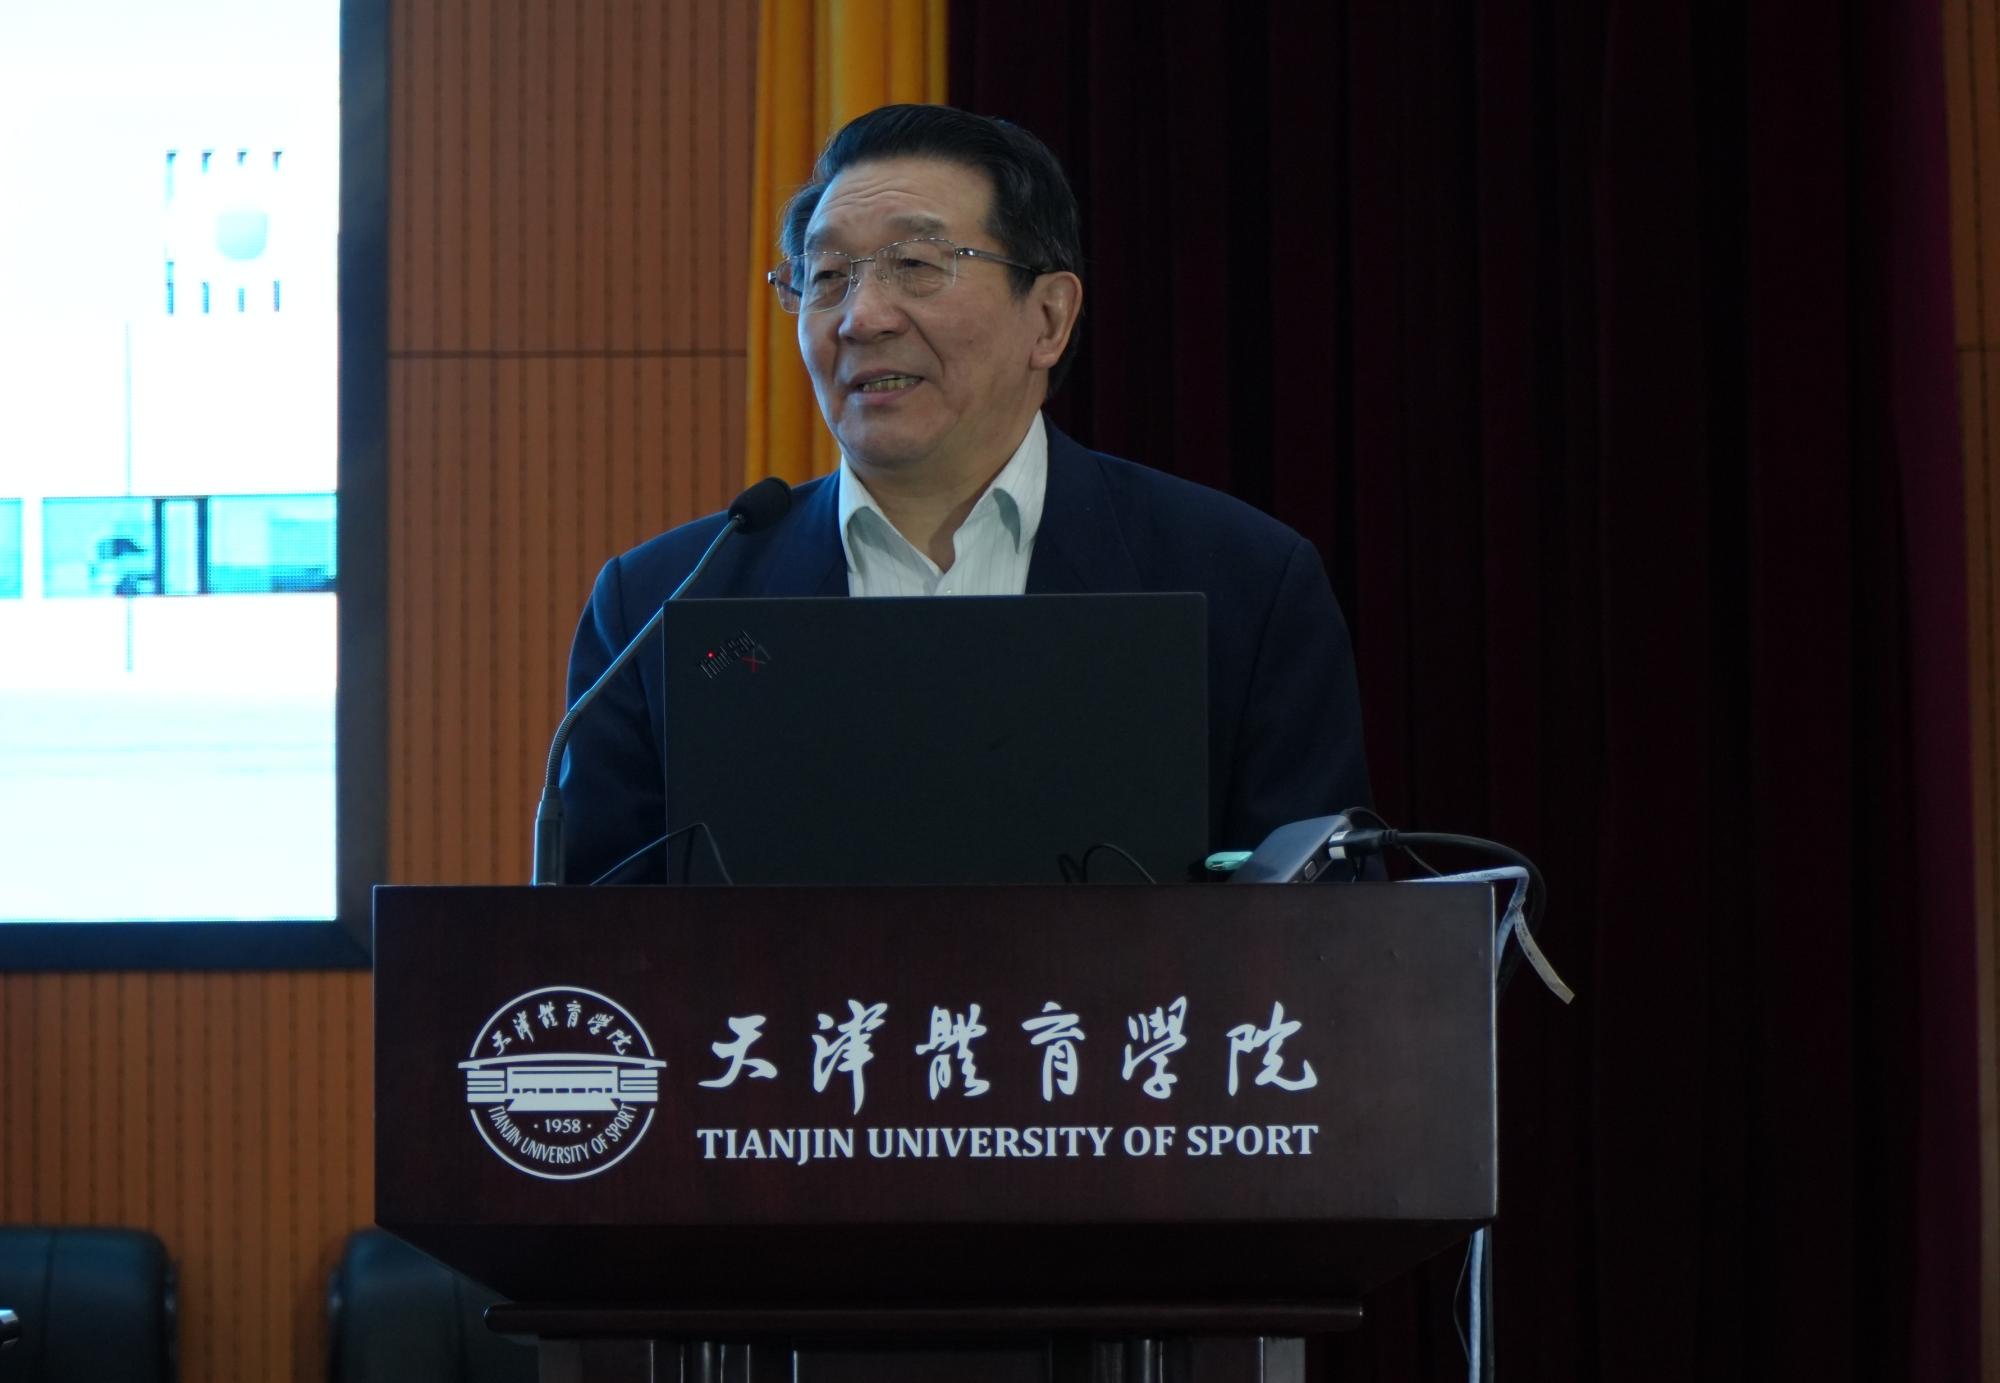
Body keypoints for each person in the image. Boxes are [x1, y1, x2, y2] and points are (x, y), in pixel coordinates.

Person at [559, 104, 1371, 886]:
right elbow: (595, 949)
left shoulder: (1243, 583)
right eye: (828, 276)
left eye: (916, 265)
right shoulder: (657, 606)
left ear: (1048, 317)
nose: (861, 318)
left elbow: (1326, 939)